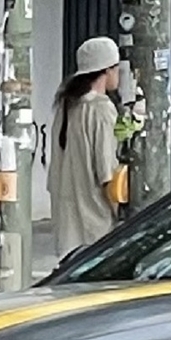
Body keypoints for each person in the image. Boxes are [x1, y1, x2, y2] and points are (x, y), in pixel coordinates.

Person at [52, 36, 125, 258]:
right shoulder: (101, 109)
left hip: (67, 230)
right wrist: (122, 217)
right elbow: (106, 174)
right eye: (116, 68)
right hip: (97, 228)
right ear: (107, 71)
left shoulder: (66, 107)